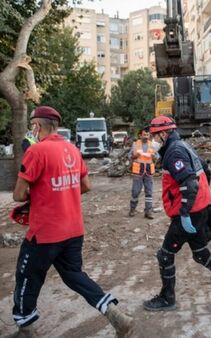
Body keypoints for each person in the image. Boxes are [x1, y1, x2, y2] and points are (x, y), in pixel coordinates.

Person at [11, 106, 133, 337]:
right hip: (74, 230)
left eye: (32, 125)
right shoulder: (73, 149)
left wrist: (42, 193)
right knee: (75, 275)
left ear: (37, 126)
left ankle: (26, 328)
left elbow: (18, 195)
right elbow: (86, 185)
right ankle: (115, 314)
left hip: (45, 233)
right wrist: (61, 193)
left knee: (27, 275)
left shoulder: (36, 152)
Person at [143, 116, 211, 311]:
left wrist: (184, 211)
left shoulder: (174, 152)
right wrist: (201, 200)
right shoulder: (183, 146)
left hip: (188, 214)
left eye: (154, 136)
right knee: (200, 254)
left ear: (164, 133)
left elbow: (190, 182)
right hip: (197, 211)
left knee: (165, 255)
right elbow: (205, 171)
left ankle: (167, 298)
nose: (152, 141)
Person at [129, 127, 155, 219]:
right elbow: (130, 156)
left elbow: (157, 158)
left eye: (147, 135)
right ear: (140, 135)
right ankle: (132, 209)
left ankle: (148, 212)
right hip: (138, 172)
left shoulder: (152, 145)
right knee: (135, 192)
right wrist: (136, 155)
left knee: (149, 193)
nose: (146, 137)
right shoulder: (135, 144)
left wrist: (154, 156)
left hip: (149, 172)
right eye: (144, 135)